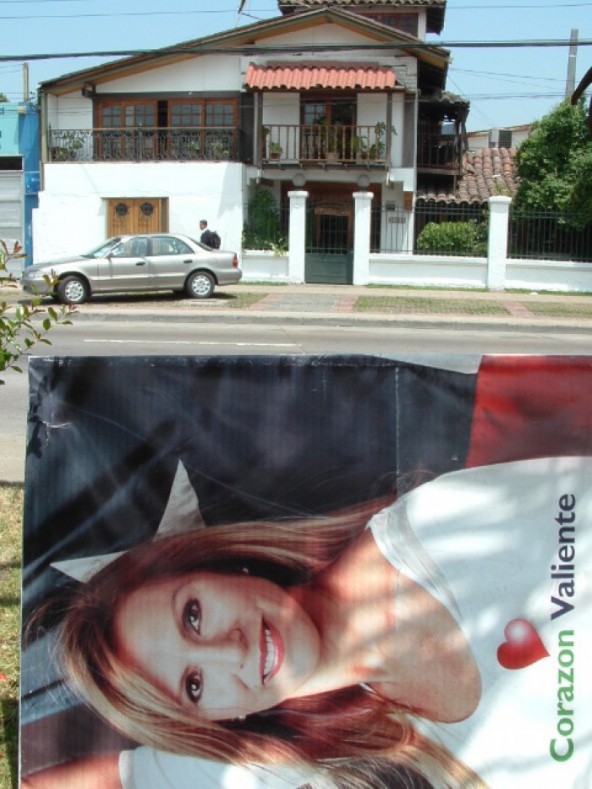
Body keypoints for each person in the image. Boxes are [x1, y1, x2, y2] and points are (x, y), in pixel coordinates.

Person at [23, 455, 592, 788]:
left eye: (193, 615)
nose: (231, 651)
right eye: (194, 685)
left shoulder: (444, 523)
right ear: (221, 718)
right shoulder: (335, 744)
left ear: (221, 564)